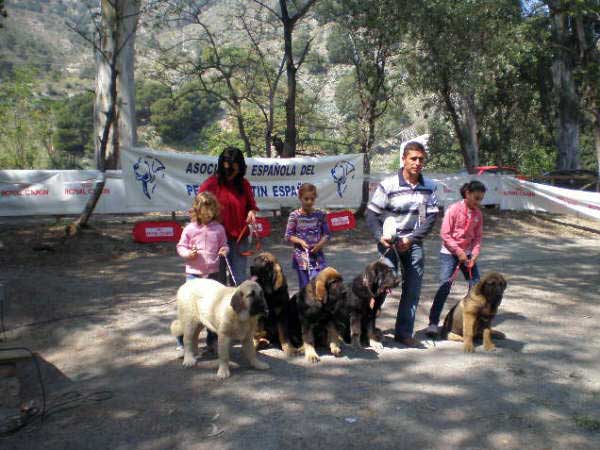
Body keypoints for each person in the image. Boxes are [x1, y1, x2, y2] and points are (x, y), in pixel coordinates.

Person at [366, 141, 439, 348]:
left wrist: (412, 239)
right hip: (389, 243)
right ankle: (369, 330)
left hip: (412, 242)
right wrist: (380, 235)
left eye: (421, 159)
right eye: (413, 158)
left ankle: (404, 333)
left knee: (413, 289)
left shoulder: (430, 187)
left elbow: (430, 218)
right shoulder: (388, 185)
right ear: (404, 159)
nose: (417, 163)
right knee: (381, 287)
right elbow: (371, 214)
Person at [426, 180, 486, 336]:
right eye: (476, 198)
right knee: (444, 287)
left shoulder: (478, 214)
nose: (478, 202)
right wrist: (458, 252)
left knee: (476, 287)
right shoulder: (453, 210)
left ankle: (473, 322)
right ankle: (433, 323)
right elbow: (445, 235)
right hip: (449, 254)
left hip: (468, 256)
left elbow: (478, 237)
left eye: (481, 199)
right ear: (467, 194)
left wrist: (475, 253)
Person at [175, 192, 229, 357]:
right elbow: (181, 246)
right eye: (203, 212)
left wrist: (224, 250)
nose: (207, 215)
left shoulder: (219, 229)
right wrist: (187, 254)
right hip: (194, 276)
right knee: (188, 312)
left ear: (215, 211)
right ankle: (183, 344)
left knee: (213, 310)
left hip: (213, 275)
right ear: (197, 211)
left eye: (210, 212)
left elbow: (225, 245)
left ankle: (212, 342)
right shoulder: (190, 228)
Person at [198, 146, 258, 286]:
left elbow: (251, 207)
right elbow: (199, 210)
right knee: (216, 283)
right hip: (215, 241)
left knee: (239, 280)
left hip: (238, 240)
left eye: (233, 169)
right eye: (226, 170)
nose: (229, 173)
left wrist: (251, 213)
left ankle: (237, 308)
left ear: (240, 167)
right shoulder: (210, 184)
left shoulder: (244, 184)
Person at [284, 183, 331, 290]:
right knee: (305, 288)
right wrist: (300, 242)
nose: (309, 202)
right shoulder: (294, 216)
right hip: (301, 258)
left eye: (312, 199)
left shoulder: (320, 215)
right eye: (306, 199)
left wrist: (319, 245)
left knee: (319, 285)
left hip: (318, 257)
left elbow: (327, 234)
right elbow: (288, 236)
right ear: (300, 198)